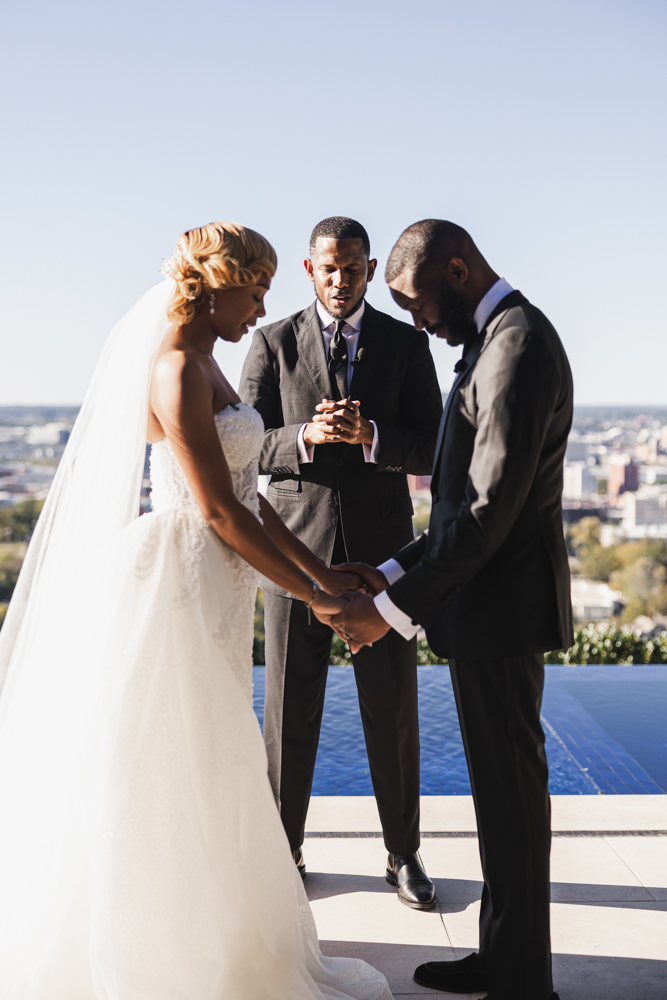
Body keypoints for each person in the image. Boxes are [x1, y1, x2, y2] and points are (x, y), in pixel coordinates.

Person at [0, 222, 393, 1000]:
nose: (259, 308)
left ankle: (222, 937)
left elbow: (251, 499)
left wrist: (325, 569)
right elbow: (219, 514)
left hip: (216, 584)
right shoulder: (176, 369)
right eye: (254, 290)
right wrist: (313, 596)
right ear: (217, 283)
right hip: (176, 584)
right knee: (173, 763)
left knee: (218, 757)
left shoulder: (207, 362)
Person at [333, 220, 572, 1000]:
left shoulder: (517, 347)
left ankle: (522, 982)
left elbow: (487, 512)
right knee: (497, 801)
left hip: (502, 612)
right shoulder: (490, 339)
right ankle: (503, 958)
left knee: (510, 798)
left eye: (415, 302)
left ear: (459, 271)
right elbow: (451, 513)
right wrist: (395, 567)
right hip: (482, 608)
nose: (415, 321)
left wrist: (391, 611)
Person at [240, 216, 442, 907]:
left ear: (368, 266)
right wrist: (303, 436)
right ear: (309, 268)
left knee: (391, 710)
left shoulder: (404, 343)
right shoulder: (270, 342)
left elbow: (432, 447)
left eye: (353, 269)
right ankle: (283, 853)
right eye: (328, 269)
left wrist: (373, 437)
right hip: (292, 555)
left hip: (380, 559)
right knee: (289, 712)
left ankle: (403, 855)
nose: (340, 280)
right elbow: (246, 447)